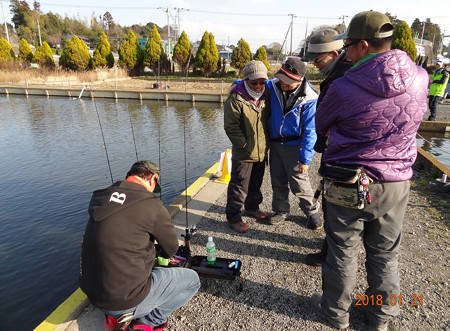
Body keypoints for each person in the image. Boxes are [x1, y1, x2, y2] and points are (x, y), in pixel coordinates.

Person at [310, 11, 428, 331]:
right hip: (396, 181)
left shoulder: (343, 87)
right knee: (386, 253)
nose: (345, 52)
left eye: (347, 45)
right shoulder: (420, 78)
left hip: (348, 178)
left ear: (362, 46)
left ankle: (336, 314)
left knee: (343, 250)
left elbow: (321, 125)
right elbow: (420, 116)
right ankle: (380, 318)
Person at [79, 161, 200, 331]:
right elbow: (171, 249)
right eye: (154, 186)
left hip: (93, 294)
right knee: (192, 281)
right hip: (123, 301)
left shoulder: (102, 198)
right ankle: (146, 322)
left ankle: (112, 319)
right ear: (151, 179)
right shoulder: (151, 205)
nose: (153, 192)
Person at [301, 28, 353, 266]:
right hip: (335, 150)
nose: (315, 65)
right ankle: (331, 248)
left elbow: (327, 120)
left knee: (336, 206)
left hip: (340, 154)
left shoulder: (345, 78)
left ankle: (330, 255)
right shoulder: (339, 74)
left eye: (318, 59)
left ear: (335, 52)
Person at [266, 56, 321, 229]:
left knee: (300, 183)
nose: (283, 84)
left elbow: (311, 130)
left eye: (288, 82)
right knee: (277, 180)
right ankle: (280, 210)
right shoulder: (273, 85)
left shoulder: (310, 98)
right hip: (275, 144)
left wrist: (305, 159)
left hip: (295, 146)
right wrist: (236, 84)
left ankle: (312, 212)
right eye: (282, 79)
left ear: (300, 80)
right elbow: (254, 80)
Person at [224, 60, 270, 232]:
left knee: (256, 183)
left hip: (262, 151)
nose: (258, 86)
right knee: (238, 185)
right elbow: (231, 127)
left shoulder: (268, 94)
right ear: (246, 80)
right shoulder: (235, 99)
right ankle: (233, 216)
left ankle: (251, 207)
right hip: (244, 153)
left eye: (262, 82)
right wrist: (243, 144)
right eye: (254, 82)